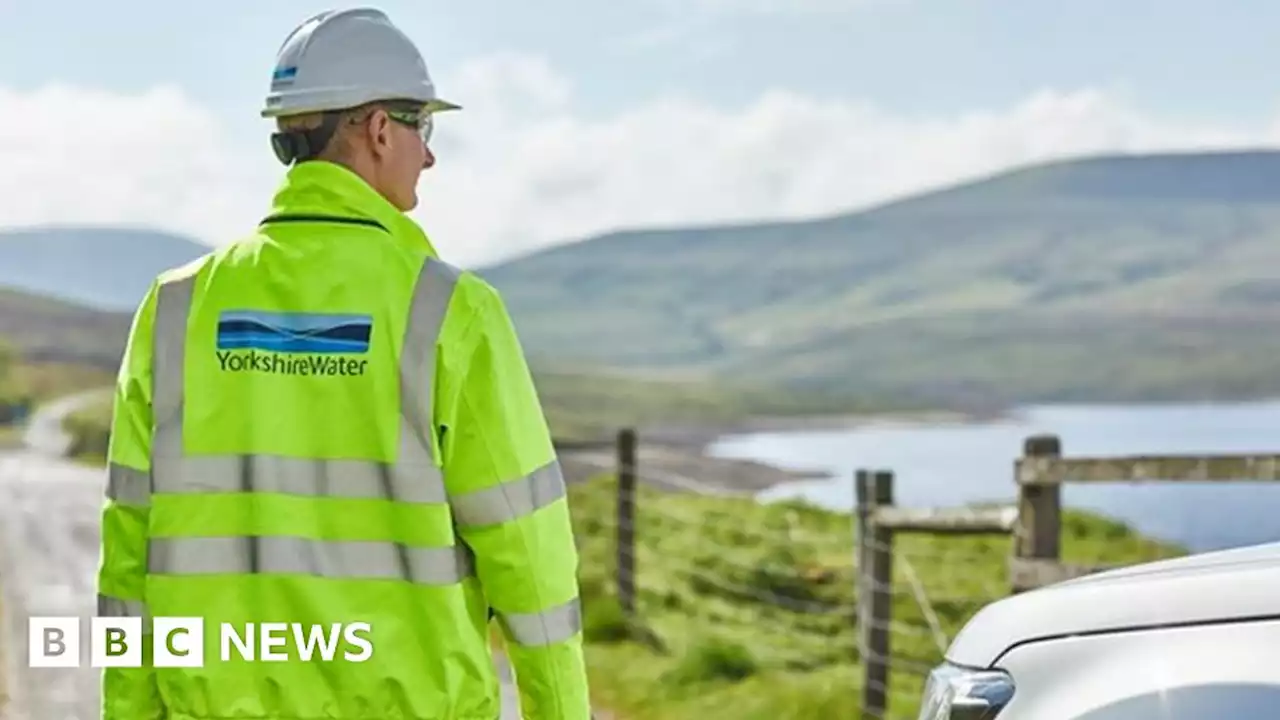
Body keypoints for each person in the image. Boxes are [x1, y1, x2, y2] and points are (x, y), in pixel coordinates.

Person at [96, 8, 592, 719]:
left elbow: (127, 555)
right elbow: (530, 557)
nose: (429, 155)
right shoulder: (453, 312)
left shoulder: (175, 308)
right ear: (379, 128)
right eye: (423, 125)